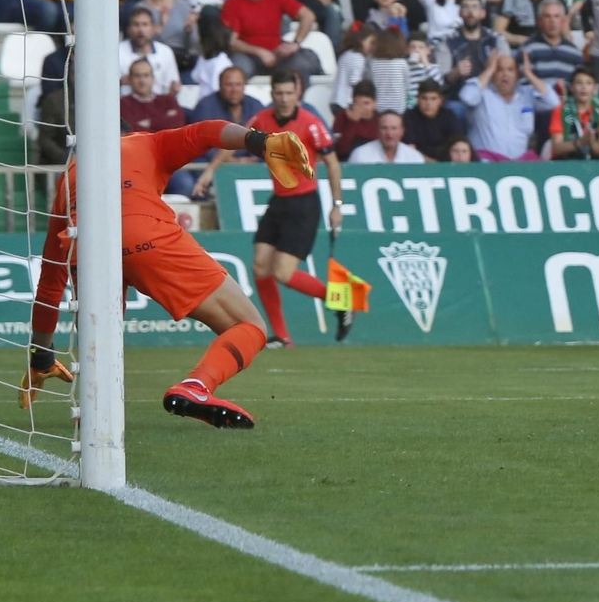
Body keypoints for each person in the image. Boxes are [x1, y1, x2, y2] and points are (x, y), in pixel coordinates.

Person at [23, 121, 308, 429]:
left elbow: (50, 283)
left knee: (101, 341)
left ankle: (95, 421)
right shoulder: (145, 142)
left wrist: (41, 356)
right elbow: (207, 132)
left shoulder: (68, 179)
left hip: (85, 246)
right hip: (144, 234)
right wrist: (259, 140)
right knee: (249, 324)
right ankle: (196, 386)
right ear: (126, 131)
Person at [193, 70, 353, 347]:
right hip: (278, 201)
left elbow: (333, 164)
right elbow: (233, 142)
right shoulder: (262, 119)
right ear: (272, 94)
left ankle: (341, 298)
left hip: (304, 204)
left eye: (289, 93)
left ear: (298, 93)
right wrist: (209, 172)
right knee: (260, 266)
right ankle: (282, 336)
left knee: (283, 273)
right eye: (279, 93)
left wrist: (337, 204)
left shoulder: (311, 123)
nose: (284, 98)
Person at [221, 0, 322, 79]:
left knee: (305, 61)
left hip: (276, 54)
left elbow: (308, 16)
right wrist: (260, 52)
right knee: (239, 69)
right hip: (247, 55)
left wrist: (295, 43)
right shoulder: (233, 3)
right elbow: (231, 41)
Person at [461, 51, 557, 159]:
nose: (505, 74)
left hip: (518, 167)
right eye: (499, 69)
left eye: (510, 70)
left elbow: (554, 103)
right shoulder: (482, 94)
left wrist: (529, 74)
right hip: (486, 165)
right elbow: (467, 98)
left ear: (517, 74)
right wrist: (488, 70)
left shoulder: (527, 94)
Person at [119, 7, 181, 96]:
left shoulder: (165, 52)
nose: (140, 30)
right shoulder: (118, 52)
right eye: (136, 25)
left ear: (153, 28)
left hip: (158, 106)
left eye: (145, 25)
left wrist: (174, 88)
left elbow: (172, 84)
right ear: (129, 29)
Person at [120, 59, 185, 136]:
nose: (142, 81)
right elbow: (131, 131)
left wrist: (150, 123)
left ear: (153, 78)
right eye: (137, 76)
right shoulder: (123, 104)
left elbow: (178, 123)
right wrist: (164, 121)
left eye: (146, 75)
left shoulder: (168, 100)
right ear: (129, 79)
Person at [347, 110, 425, 163]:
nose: (389, 133)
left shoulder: (414, 157)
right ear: (377, 130)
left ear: (402, 131)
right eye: (384, 128)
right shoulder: (360, 155)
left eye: (394, 128)